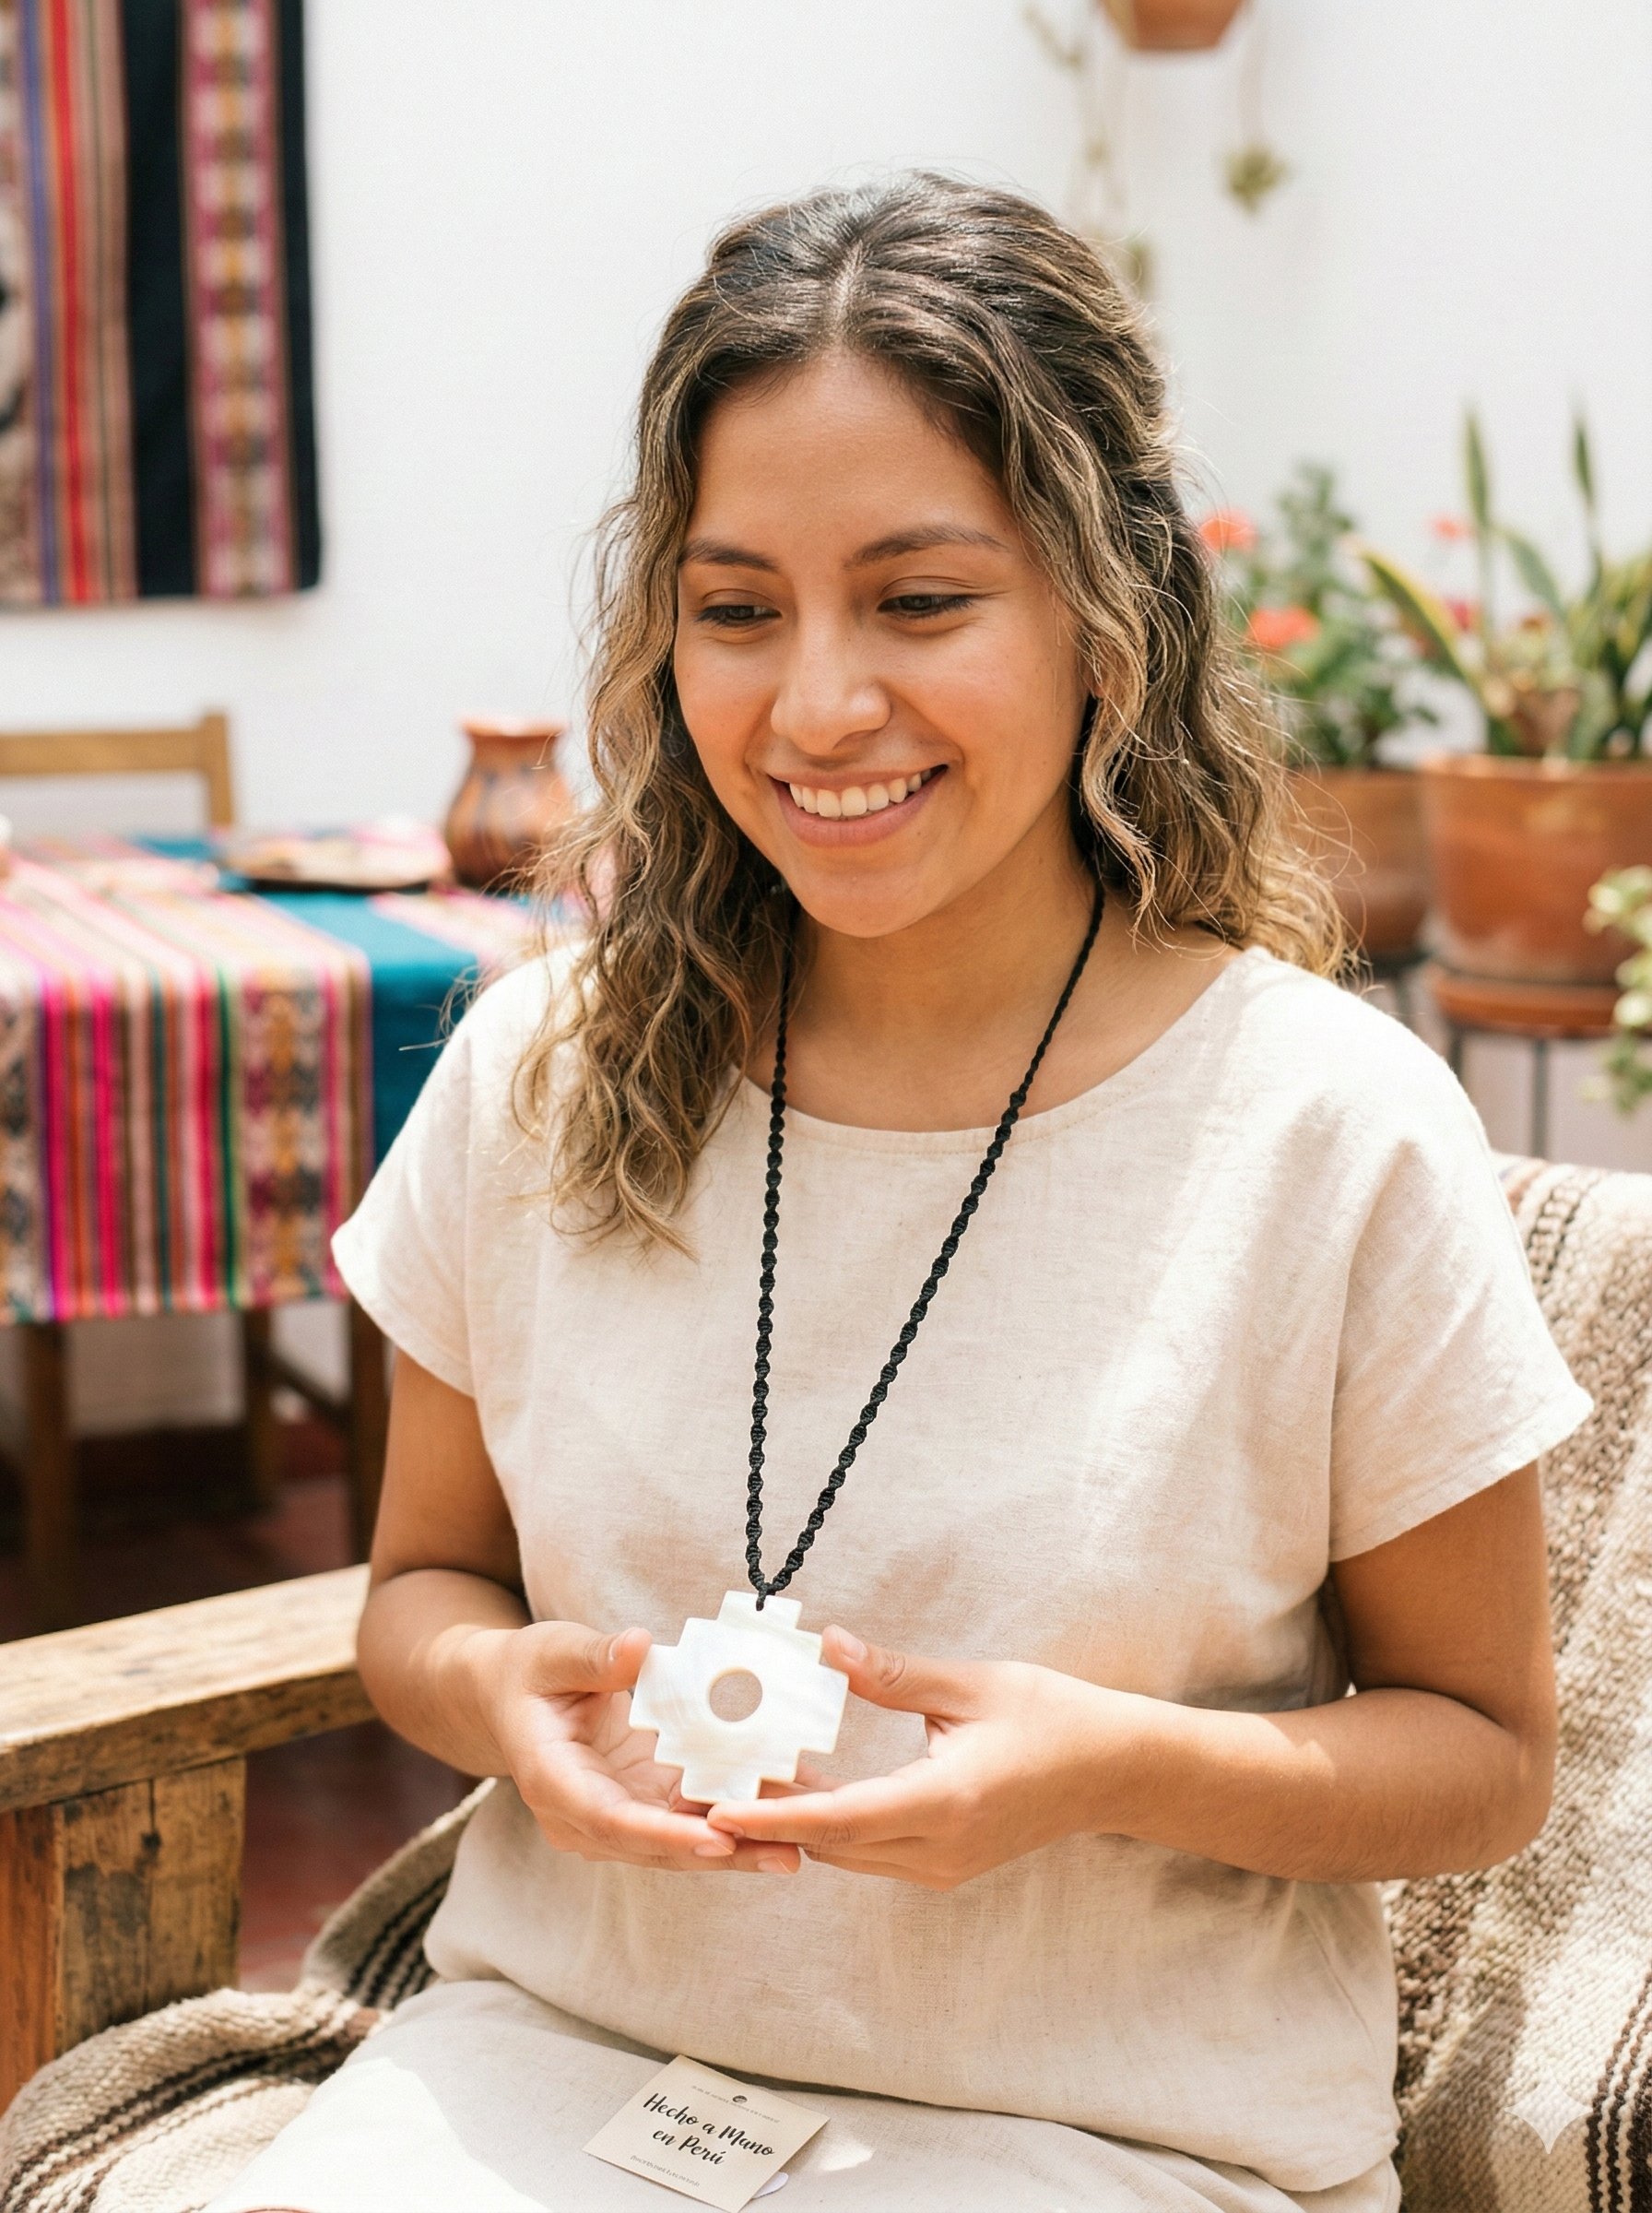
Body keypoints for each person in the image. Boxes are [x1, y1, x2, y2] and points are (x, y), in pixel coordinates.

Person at [207, 175, 1588, 2213]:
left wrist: (1109, 1769)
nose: (818, 706)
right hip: (549, 2080)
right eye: (736, 609)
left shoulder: (1331, 1130)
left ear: (1107, 618)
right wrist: (497, 1697)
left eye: (919, 600)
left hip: (1111, 2143)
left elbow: (1483, 1761)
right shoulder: (543, 1071)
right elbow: (421, 1595)